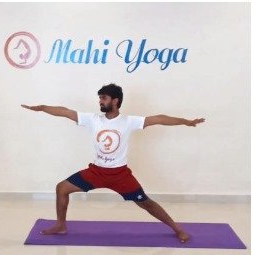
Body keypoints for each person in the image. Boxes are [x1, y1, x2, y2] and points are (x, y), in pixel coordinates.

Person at [21, 83, 205, 243]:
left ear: (115, 101)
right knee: (62, 188)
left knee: (146, 203)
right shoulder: (93, 119)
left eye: (104, 98)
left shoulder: (129, 121)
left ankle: (177, 228)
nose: (100, 101)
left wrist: (186, 122)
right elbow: (65, 112)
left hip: (120, 175)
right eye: (100, 98)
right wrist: (43, 107)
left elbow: (158, 119)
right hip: (96, 172)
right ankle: (61, 225)